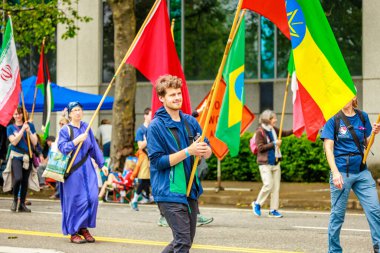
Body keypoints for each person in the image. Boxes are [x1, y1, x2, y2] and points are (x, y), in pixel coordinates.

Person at [147, 75, 212, 253]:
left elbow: (207, 149)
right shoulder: (156, 126)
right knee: (183, 241)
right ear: (162, 98)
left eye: (178, 93)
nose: (177, 98)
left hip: (190, 189)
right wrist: (188, 152)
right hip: (168, 191)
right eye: (171, 95)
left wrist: (206, 150)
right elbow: (157, 162)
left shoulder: (190, 121)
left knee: (183, 241)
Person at [321, 97, 380, 253]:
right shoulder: (333, 119)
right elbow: (328, 148)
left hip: (362, 171)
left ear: (354, 97)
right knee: (337, 215)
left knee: (375, 210)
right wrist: (334, 173)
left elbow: (367, 144)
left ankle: (379, 246)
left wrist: (373, 134)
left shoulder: (363, 116)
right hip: (341, 172)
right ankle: (334, 250)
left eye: (349, 94)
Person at [58, 101, 108, 244]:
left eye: (79, 109)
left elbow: (94, 148)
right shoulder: (65, 130)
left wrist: (101, 164)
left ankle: (83, 228)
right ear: (70, 114)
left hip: (87, 168)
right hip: (72, 170)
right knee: (75, 201)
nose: (78, 112)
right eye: (74, 110)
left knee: (92, 198)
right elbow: (62, 147)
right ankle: (74, 231)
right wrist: (76, 141)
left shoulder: (87, 127)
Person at [252, 109, 293, 218]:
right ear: (268, 119)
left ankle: (273, 210)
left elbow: (283, 133)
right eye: (273, 118)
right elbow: (260, 148)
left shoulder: (273, 129)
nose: (275, 120)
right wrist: (274, 143)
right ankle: (257, 203)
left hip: (275, 162)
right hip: (264, 163)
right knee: (268, 185)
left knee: (276, 188)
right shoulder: (259, 132)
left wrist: (296, 129)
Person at [3, 107, 39, 212]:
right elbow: (13, 142)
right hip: (16, 156)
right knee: (18, 178)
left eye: (19, 114)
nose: (18, 116)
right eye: (15, 114)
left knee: (24, 181)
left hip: (28, 156)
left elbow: (35, 142)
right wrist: (22, 129)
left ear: (23, 114)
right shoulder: (10, 128)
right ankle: (15, 200)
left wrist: (29, 131)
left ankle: (22, 204)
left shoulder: (30, 125)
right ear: (12, 116)